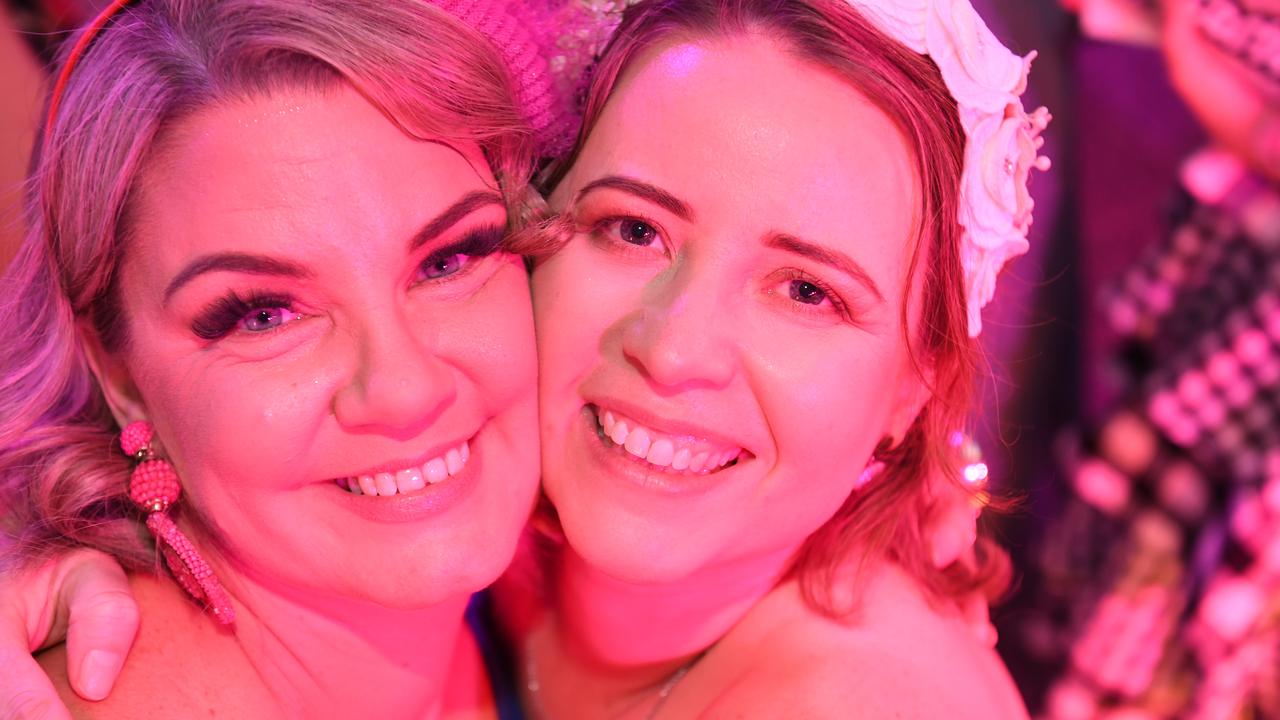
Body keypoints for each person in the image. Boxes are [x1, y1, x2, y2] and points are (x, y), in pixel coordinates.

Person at [1, 0, 1047, 717]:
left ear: (914, 389)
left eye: (808, 292)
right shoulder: (499, 536)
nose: (675, 349)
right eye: (632, 229)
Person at [0, 0, 546, 716]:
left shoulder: (539, 613)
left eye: (447, 261)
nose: (405, 390)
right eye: (265, 315)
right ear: (118, 372)